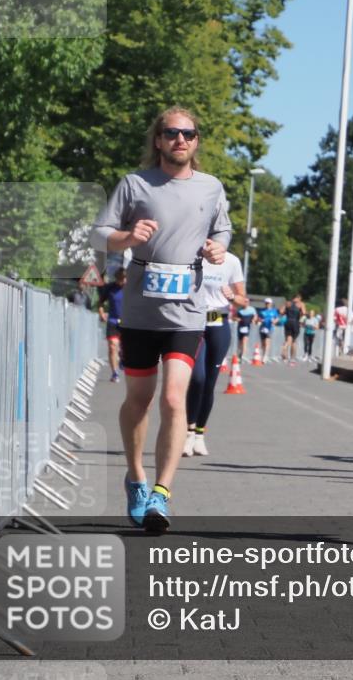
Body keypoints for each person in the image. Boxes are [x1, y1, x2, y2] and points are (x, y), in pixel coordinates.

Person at [90, 105, 231, 532]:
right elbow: (99, 233)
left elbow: (222, 230)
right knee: (139, 400)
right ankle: (136, 477)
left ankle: (162, 493)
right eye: (172, 133)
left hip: (187, 310)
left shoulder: (210, 188)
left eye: (189, 134)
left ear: (196, 141)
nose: (181, 140)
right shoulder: (135, 184)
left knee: (174, 399)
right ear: (158, 139)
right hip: (139, 309)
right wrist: (128, 237)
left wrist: (217, 249)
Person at [184, 251, 247, 457]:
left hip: (219, 322)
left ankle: (200, 434)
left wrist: (233, 296)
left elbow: (242, 301)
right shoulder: (191, 255)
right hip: (195, 321)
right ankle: (188, 432)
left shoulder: (232, 261)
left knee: (210, 383)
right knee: (197, 378)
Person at [98, 268, 126, 382]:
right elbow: (100, 302)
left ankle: (123, 357)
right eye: (120, 279)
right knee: (112, 346)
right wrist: (101, 313)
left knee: (125, 347)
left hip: (127, 322)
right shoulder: (110, 288)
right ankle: (114, 373)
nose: (122, 282)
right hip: (113, 321)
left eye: (124, 279)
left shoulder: (131, 288)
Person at [280, 294, 303, 364]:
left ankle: (285, 349)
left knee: (288, 339)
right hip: (295, 322)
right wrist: (300, 314)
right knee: (294, 341)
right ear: (299, 298)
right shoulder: (300, 304)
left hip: (288, 322)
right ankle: (292, 358)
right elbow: (304, 313)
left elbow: (281, 312)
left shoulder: (288, 303)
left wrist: (285, 308)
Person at [257, 297, 279, 363]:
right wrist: (260, 320)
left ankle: (265, 356)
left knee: (267, 342)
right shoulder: (261, 311)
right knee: (262, 343)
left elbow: (277, 318)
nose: (267, 304)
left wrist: (274, 321)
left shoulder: (274, 311)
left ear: (271, 303)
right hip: (262, 328)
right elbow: (258, 318)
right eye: (266, 303)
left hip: (269, 328)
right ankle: (263, 354)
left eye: (268, 303)